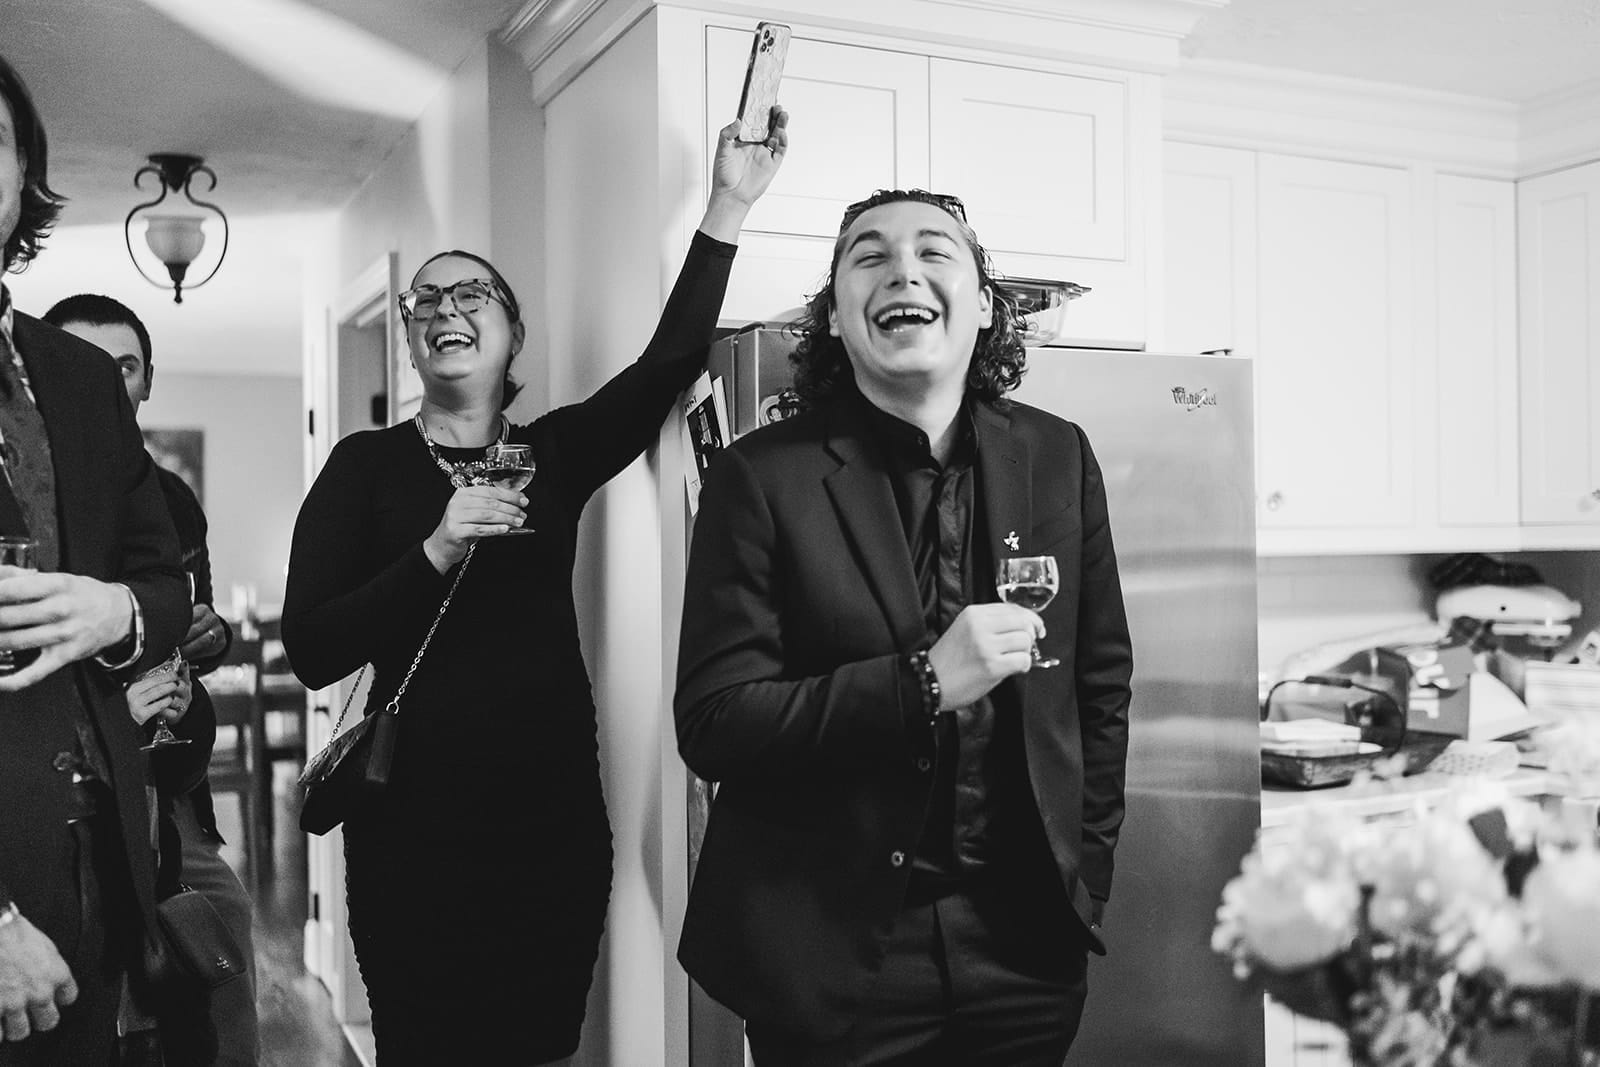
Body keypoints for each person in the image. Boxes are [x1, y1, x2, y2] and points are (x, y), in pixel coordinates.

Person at [281, 110, 788, 1064]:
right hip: (410, 835)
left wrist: (727, 204)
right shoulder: (363, 468)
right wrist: (432, 550)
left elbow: (670, 365)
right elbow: (311, 646)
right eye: (423, 302)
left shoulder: (548, 454)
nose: (443, 310)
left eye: (470, 293)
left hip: (550, 821)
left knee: (539, 1048)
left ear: (514, 332)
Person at [674, 188, 1133, 1065]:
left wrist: (1086, 879)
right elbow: (715, 722)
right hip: (833, 958)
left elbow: (1099, 683)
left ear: (986, 306)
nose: (903, 269)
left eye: (934, 249)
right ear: (838, 319)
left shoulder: (1058, 454)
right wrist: (923, 682)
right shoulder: (760, 479)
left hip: (1026, 949)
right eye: (869, 255)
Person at [0, 54, 189, 1065]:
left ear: (23, 173)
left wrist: (114, 610)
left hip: (101, 856)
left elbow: (167, 579)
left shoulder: (78, 375)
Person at [43, 292, 258, 1066]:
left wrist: (213, 636)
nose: (103, 380)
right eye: (83, 362)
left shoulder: (169, 499)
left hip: (171, 795)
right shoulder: (27, 495)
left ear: (145, 383)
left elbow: (185, 618)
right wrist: (109, 716)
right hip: (61, 797)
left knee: (221, 942)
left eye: (122, 366)